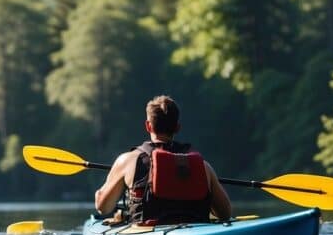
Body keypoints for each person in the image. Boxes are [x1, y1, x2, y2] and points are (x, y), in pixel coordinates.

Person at [95, 95, 231, 223]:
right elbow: (225, 214)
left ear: (148, 126)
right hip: (196, 233)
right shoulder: (203, 166)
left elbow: (103, 207)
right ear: (177, 127)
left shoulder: (127, 161)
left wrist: (99, 194)